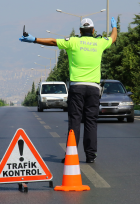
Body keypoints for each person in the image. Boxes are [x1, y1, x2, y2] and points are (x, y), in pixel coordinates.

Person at [19, 17, 117, 163]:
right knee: (91, 122)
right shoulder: (100, 42)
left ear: (80, 31)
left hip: (77, 88)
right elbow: (113, 38)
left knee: (75, 121)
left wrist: (34, 39)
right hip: (93, 89)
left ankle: (71, 155)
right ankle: (90, 156)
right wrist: (114, 27)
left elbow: (53, 42)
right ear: (93, 30)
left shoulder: (73, 41)